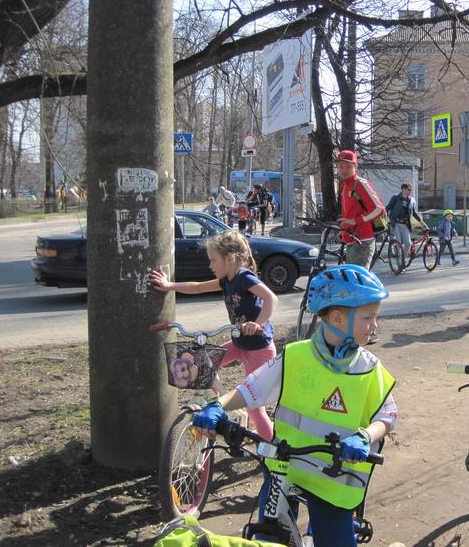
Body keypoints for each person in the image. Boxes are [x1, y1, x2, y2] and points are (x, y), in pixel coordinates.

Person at [191, 264, 397, 547]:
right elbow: (250, 389)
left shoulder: (369, 369)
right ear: (338, 318)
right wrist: (217, 406)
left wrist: (365, 437)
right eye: (368, 318)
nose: (374, 325)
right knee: (266, 536)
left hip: (333, 481)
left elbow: (387, 416)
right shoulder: (295, 356)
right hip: (283, 469)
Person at [148, 231, 278, 441]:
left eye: (213, 260)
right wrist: (169, 286)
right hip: (240, 344)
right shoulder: (226, 280)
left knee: (254, 405)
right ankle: (216, 404)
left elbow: (271, 299)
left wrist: (258, 323)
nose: (210, 265)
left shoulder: (244, 277)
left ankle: (272, 448)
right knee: (201, 364)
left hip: (259, 349)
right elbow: (198, 287)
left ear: (230, 259)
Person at [336, 150, 385, 269]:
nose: (344, 170)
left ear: (355, 166)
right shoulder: (345, 186)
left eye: (348, 166)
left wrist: (356, 221)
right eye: (341, 166)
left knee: (358, 282)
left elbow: (379, 209)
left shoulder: (360, 184)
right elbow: (349, 214)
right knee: (352, 282)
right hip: (352, 240)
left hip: (363, 241)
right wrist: (343, 231)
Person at [386, 182, 428, 263]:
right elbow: (387, 208)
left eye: (411, 190)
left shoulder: (411, 200)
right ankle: (399, 263)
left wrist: (422, 223)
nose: (410, 191)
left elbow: (414, 213)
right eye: (408, 189)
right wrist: (386, 218)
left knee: (408, 244)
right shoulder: (395, 198)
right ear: (403, 189)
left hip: (405, 224)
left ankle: (402, 259)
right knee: (398, 242)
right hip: (395, 223)